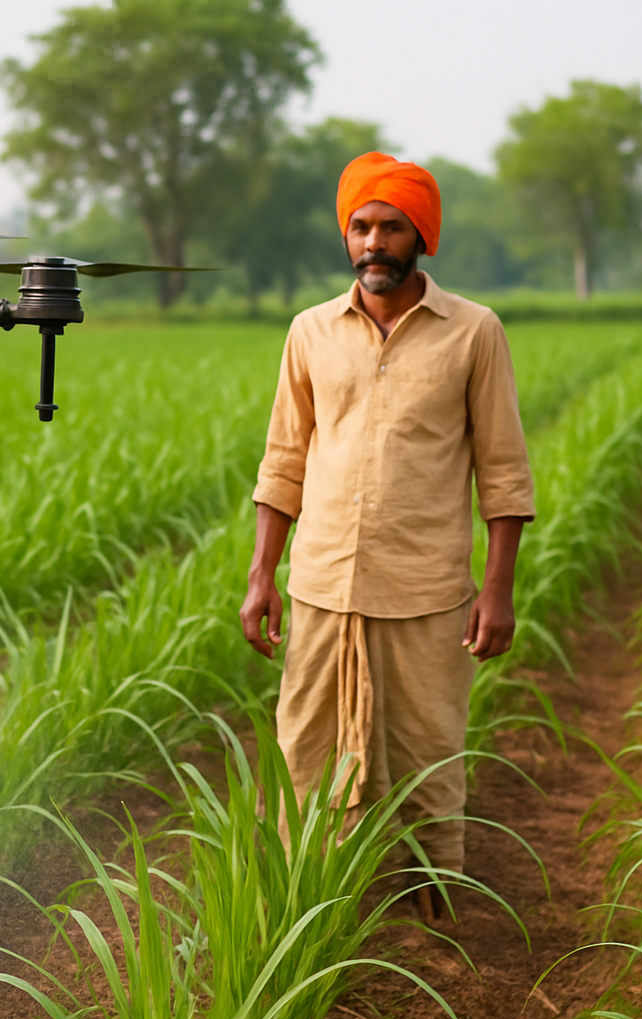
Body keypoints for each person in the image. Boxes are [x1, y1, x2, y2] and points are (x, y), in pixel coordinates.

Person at [238, 152, 535, 920]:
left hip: (426, 588)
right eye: (361, 226)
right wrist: (260, 576)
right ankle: (315, 899)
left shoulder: (474, 333)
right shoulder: (310, 333)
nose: (374, 241)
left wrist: (497, 592)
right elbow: (284, 459)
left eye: (390, 227)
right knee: (308, 749)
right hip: (322, 584)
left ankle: (433, 911)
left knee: (427, 750)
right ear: (347, 237)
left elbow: (503, 472)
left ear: (421, 238)